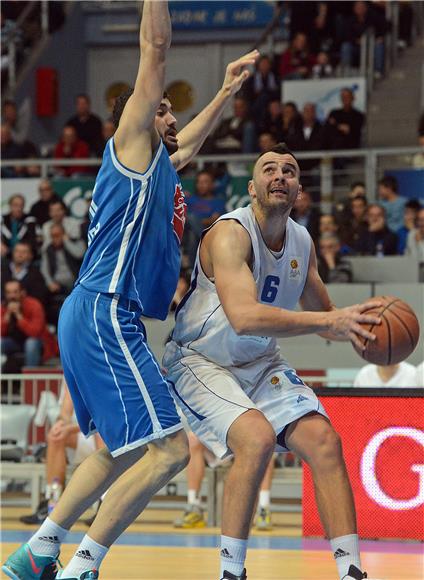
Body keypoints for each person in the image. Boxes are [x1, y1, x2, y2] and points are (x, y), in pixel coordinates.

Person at [2, 3, 258, 579]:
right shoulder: (130, 145)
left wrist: (223, 91)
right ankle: (82, 566)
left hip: (95, 313)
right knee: (167, 450)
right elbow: (155, 51)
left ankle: (36, 553)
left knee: (120, 451)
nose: (171, 115)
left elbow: (188, 144)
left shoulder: (158, 166)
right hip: (104, 311)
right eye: (162, 108)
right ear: (140, 117)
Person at [163, 142, 381, 580]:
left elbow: (324, 317)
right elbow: (244, 318)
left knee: (325, 443)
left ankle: (352, 571)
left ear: (299, 188)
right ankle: (231, 572)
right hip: (201, 360)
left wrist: (359, 329)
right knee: (257, 439)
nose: (279, 175)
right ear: (252, 186)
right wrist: (330, 321)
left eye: (289, 170)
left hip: (260, 360)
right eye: (269, 169)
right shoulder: (230, 234)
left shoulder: (302, 240)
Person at [21, 379, 104, 526]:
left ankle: (104, 504)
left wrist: (70, 428)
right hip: (85, 434)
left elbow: (103, 417)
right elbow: (65, 413)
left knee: (100, 435)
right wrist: (60, 424)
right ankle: (52, 502)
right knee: (55, 437)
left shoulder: (101, 364)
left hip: (108, 435)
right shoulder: (71, 369)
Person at [1, 280, 47, 369]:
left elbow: (35, 333)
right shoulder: (3, 307)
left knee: (31, 343)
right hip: (14, 342)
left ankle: (29, 381)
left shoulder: (34, 304)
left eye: (15, 292)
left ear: (22, 292)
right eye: (8, 292)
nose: (12, 296)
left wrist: (19, 316)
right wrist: (7, 316)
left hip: (37, 342)